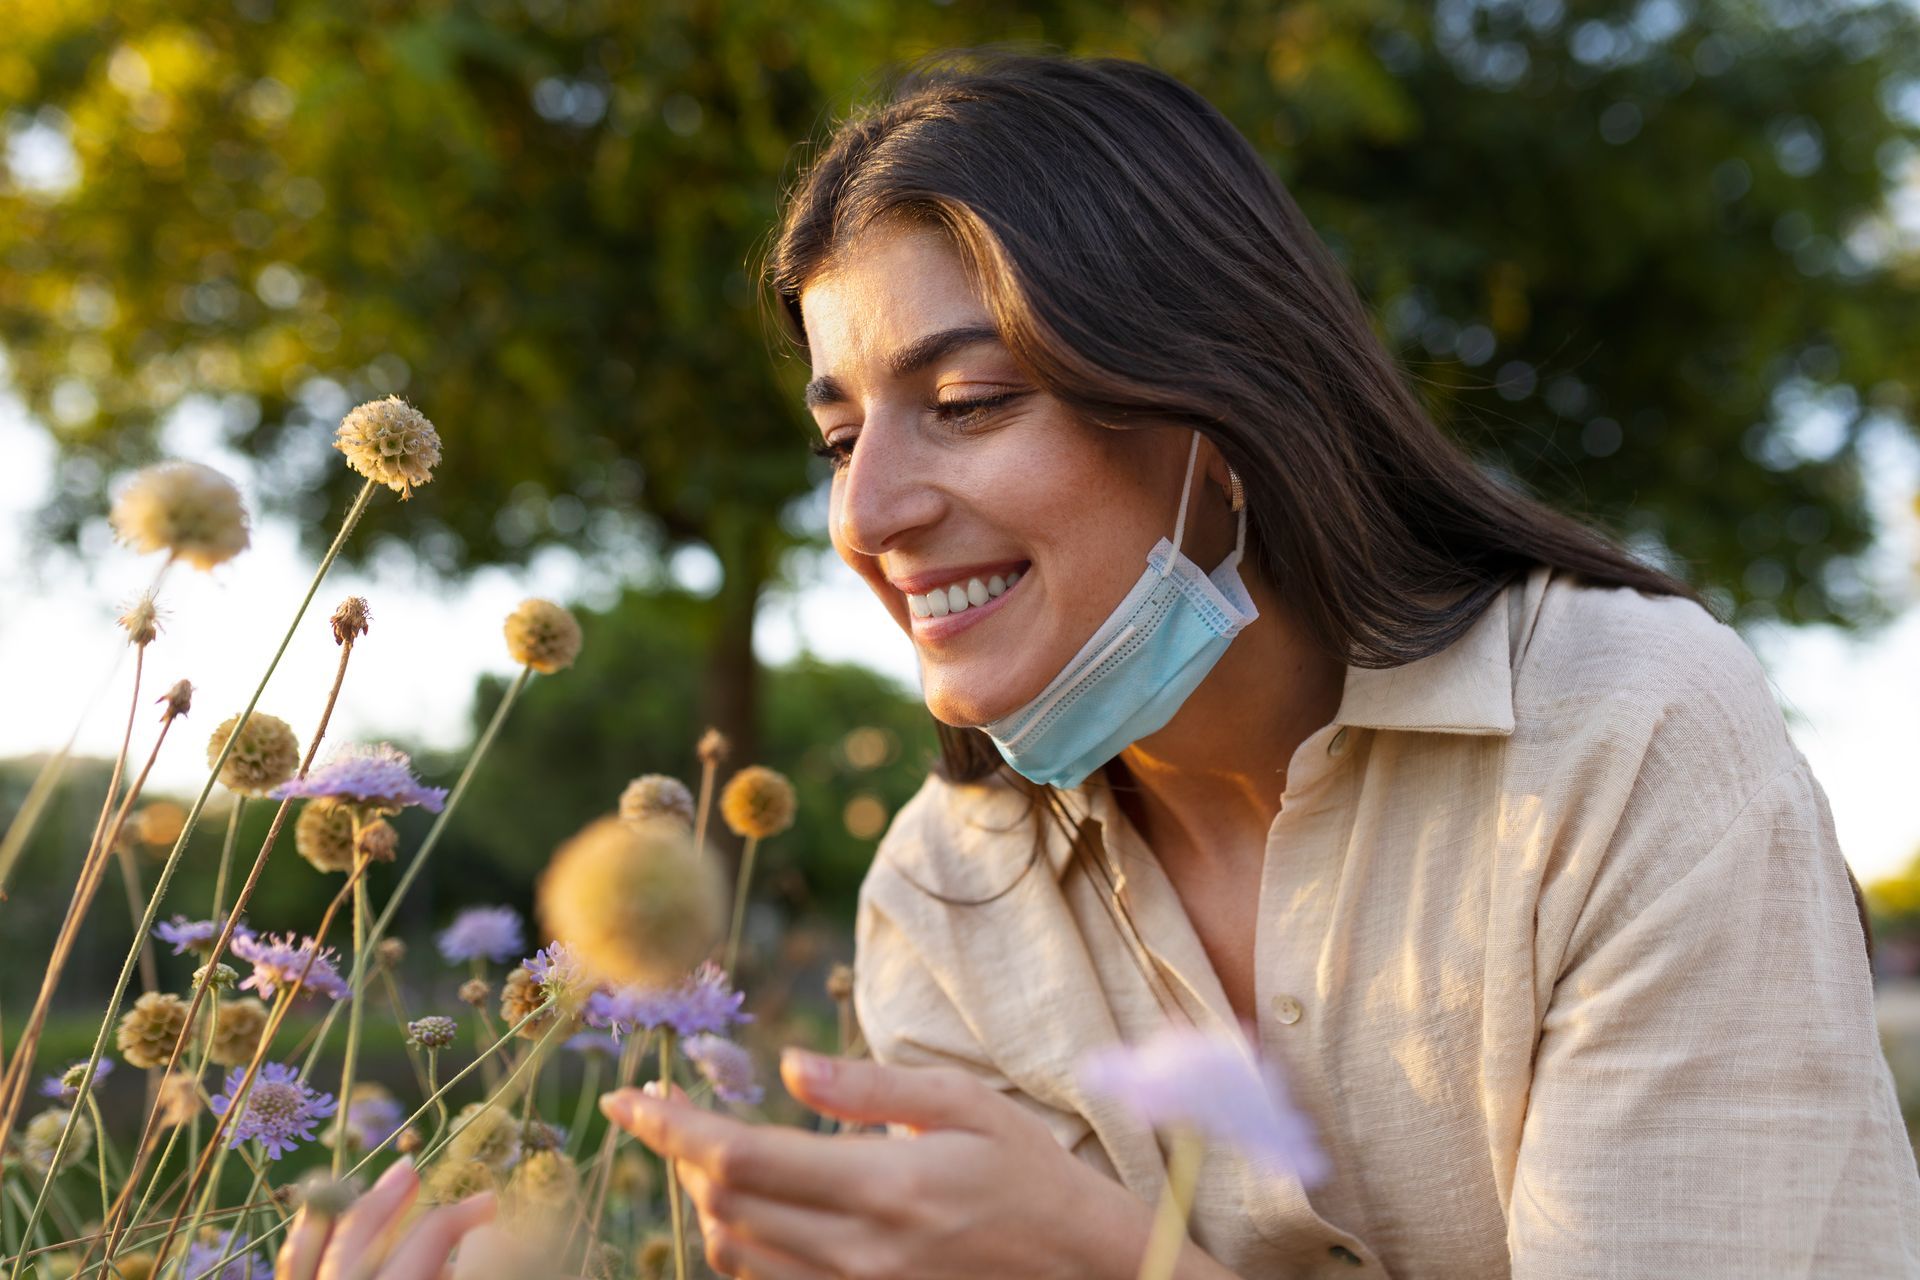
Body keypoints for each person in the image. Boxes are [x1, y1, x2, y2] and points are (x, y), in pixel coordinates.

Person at [600, 49, 1920, 1278]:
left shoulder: (1621, 737)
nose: (867, 515)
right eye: (839, 442)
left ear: (1223, 410)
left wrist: (1125, 1261)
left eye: (967, 404)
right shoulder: (944, 898)